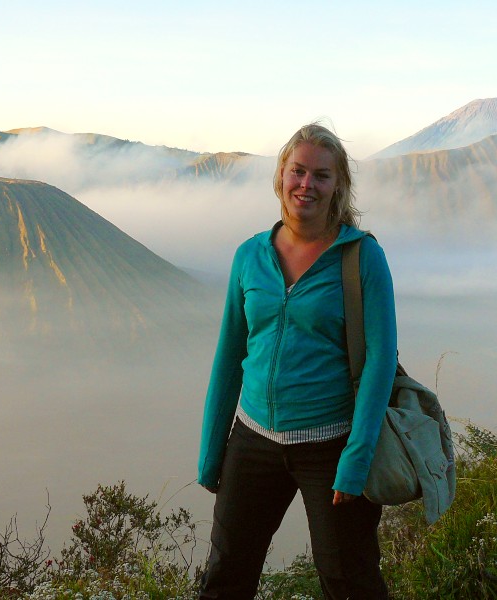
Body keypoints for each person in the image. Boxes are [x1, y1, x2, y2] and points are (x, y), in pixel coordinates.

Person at [197, 123, 397, 599]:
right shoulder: (250, 256)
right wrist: (211, 450)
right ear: (281, 177)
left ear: (338, 186)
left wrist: (357, 458)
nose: (307, 184)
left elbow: (381, 360)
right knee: (225, 576)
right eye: (298, 171)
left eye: (321, 175)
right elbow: (230, 354)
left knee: (349, 580)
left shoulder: (361, 256)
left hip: (332, 444)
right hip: (253, 439)